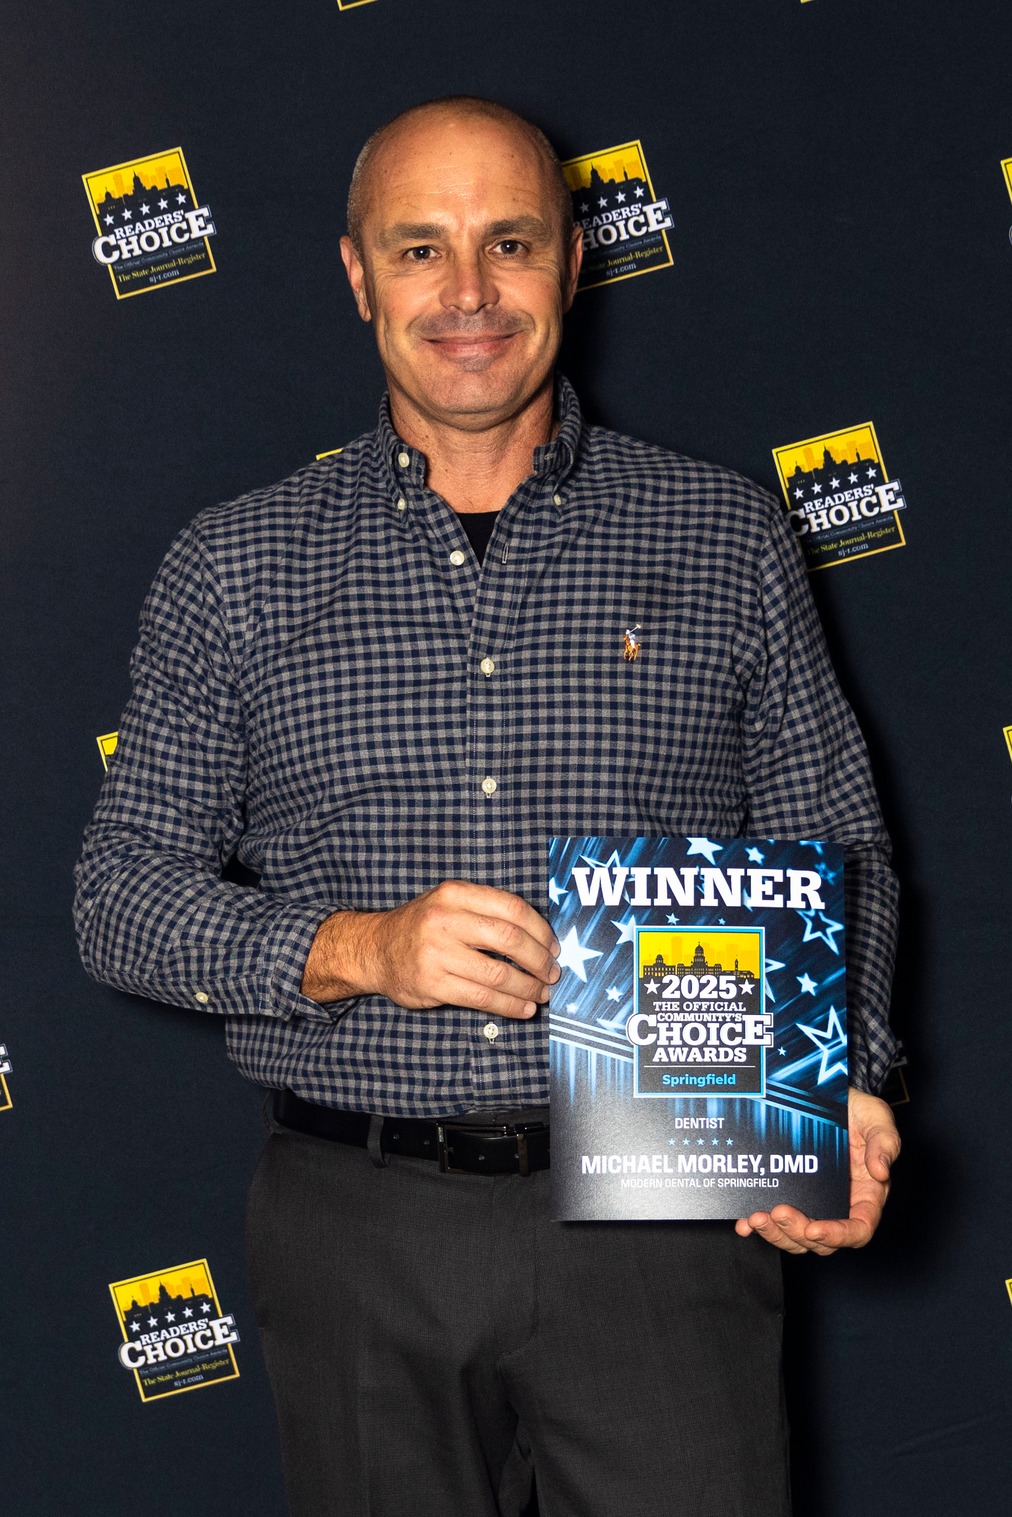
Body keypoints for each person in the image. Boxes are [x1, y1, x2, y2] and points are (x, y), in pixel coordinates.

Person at [75, 96, 902, 1517]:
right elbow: (118, 897)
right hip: (359, 1226)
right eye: (421, 249)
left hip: (667, 1224)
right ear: (359, 275)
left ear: (572, 263)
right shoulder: (234, 567)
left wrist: (844, 1079)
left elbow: (836, 846)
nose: (468, 291)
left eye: (509, 243)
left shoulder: (722, 535)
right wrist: (359, 948)